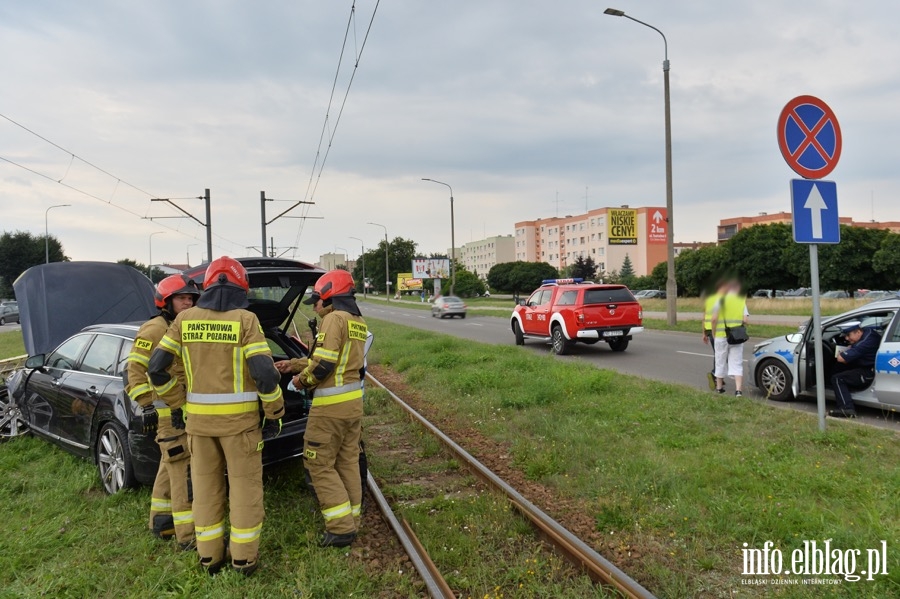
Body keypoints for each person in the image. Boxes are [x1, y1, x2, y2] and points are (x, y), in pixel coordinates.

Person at [148, 256, 284, 576]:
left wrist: (179, 402)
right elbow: (264, 373)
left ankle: (209, 557)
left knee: (206, 490)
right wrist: (274, 409)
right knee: (244, 490)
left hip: (198, 426)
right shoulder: (245, 320)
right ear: (242, 287)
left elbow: (155, 368)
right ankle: (243, 559)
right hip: (240, 427)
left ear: (206, 287)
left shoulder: (184, 321)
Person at [274, 269, 367, 548]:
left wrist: (300, 381)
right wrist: (293, 364)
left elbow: (323, 366)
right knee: (347, 461)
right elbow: (332, 360)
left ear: (328, 295)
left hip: (330, 408)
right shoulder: (356, 320)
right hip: (352, 405)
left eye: (315, 300)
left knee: (317, 462)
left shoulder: (332, 319)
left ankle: (340, 529)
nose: (314, 306)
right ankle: (352, 519)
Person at [124, 274, 200, 548]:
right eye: (181, 298)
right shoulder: (155, 329)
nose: (187, 302)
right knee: (184, 476)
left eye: (191, 298)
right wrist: (146, 405)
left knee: (169, 468)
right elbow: (133, 370)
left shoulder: (184, 326)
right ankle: (188, 536)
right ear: (165, 301)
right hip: (170, 415)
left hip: (182, 413)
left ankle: (162, 522)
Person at [828, 321, 880, 418]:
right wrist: (851, 347)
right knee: (839, 367)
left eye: (848, 335)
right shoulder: (868, 332)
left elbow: (841, 358)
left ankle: (847, 409)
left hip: (868, 372)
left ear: (858, 332)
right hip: (868, 365)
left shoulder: (864, 343)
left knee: (837, 378)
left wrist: (847, 350)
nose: (847, 338)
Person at [709, 279, 749, 396]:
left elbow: (714, 319)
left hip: (721, 336)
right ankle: (738, 391)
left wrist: (713, 332)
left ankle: (719, 388)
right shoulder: (741, 301)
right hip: (736, 337)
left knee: (720, 361)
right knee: (736, 363)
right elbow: (746, 320)